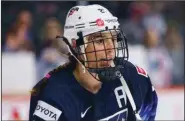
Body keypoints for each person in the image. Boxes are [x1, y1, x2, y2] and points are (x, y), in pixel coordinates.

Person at [29, 4, 158, 121]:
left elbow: (148, 114)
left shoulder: (134, 77)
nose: (111, 49)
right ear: (75, 46)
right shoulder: (53, 97)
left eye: (113, 38)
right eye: (100, 41)